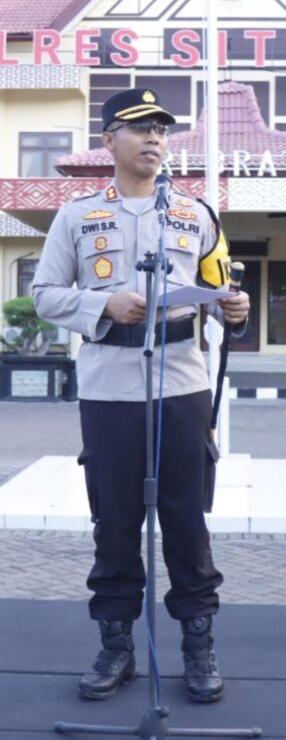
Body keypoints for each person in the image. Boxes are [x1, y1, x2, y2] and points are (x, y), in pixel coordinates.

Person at [32, 88, 250, 703]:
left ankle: (198, 646)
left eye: (161, 130)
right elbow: (47, 293)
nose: (155, 139)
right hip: (109, 386)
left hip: (181, 382)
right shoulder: (77, 216)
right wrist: (102, 303)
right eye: (140, 129)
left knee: (186, 519)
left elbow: (222, 288)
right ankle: (116, 646)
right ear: (109, 141)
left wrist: (236, 311)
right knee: (116, 521)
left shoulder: (195, 214)